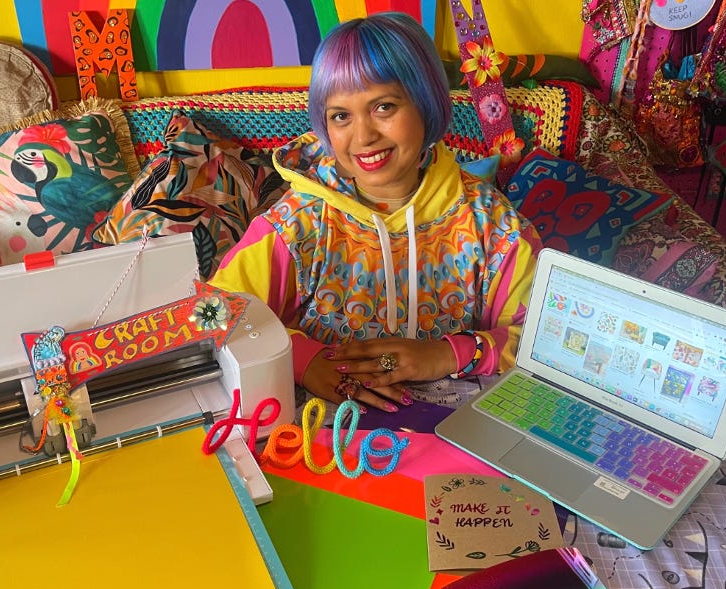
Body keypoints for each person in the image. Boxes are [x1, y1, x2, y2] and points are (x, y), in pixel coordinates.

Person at [209, 11, 541, 413]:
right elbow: (214, 314)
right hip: (320, 436)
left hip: (460, 435)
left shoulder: (493, 226)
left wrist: (449, 354)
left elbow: (546, 343)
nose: (363, 136)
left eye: (384, 107)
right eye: (341, 116)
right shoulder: (297, 224)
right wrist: (305, 359)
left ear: (426, 104)